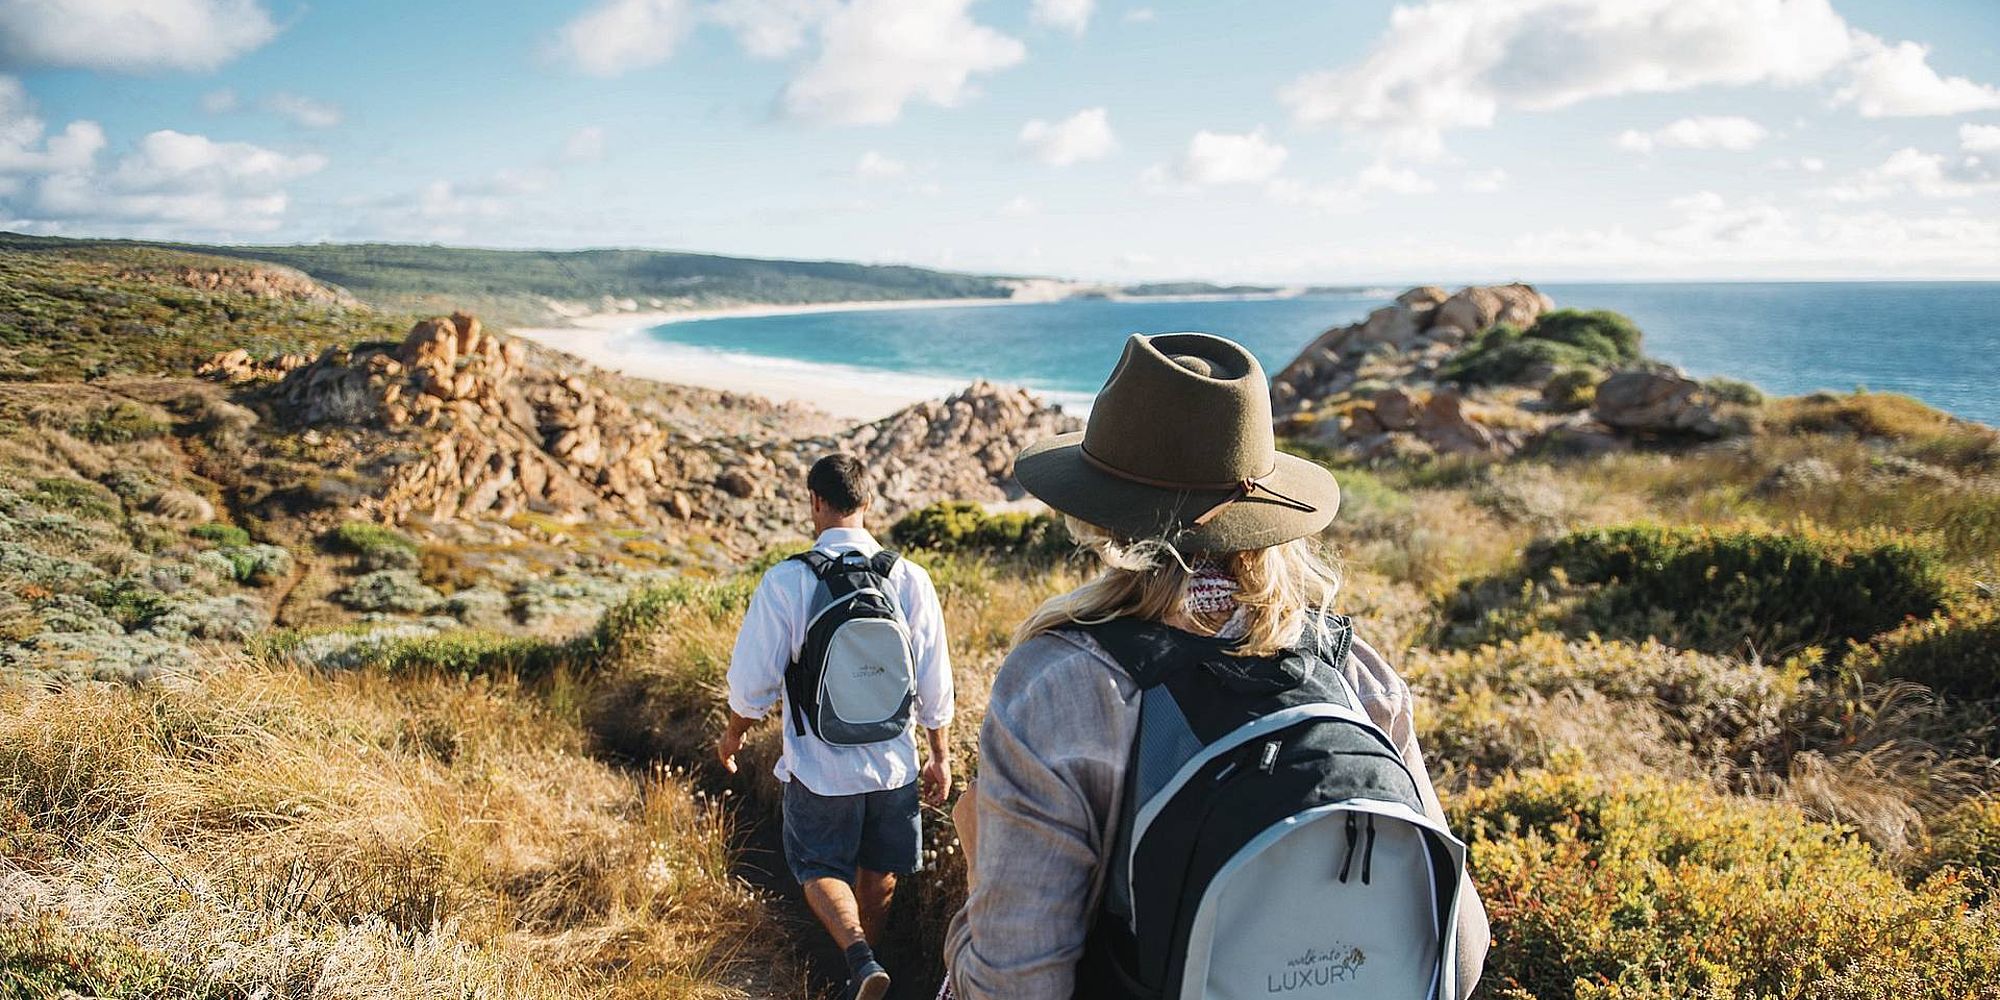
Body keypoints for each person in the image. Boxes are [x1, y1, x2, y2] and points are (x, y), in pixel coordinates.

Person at [940, 332, 1489, 999]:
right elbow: (1459, 953)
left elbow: (1016, 986)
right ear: (1267, 516)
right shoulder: (1355, 671)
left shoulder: (1062, 684)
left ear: (1103, 522)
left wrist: (977, 867)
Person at [720, 453, 955, 1000]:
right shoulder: (909, 578)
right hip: (893, 767)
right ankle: (865, 966)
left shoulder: (788, 580)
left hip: (820, 768)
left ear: (816, 502)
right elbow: (934, 678)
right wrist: (939, 754)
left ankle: (856, 957)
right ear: (868, 503)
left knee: (818, 865)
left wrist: (734, 734)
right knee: (880, 873)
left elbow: (752, 681)